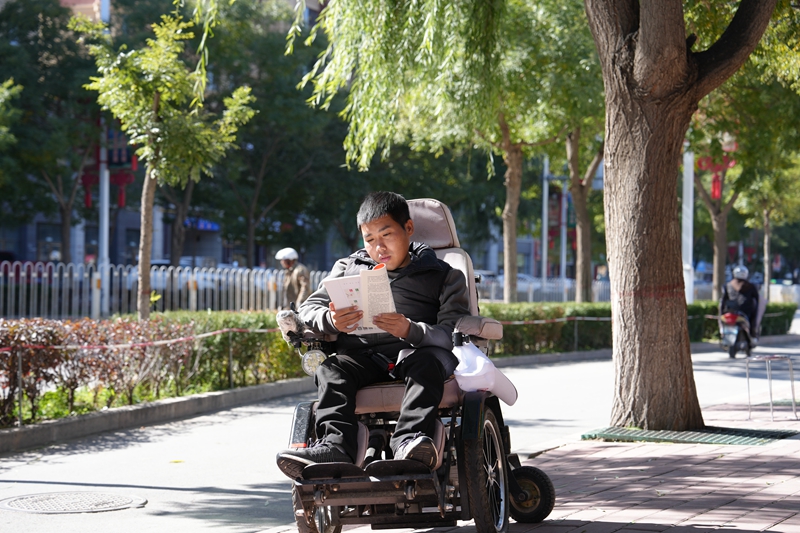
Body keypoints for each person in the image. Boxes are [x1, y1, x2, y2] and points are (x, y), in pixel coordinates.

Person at [275, 191, 471, 479]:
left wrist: (410, 329)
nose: (379, 247)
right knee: (331, 369)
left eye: (386, 235)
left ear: (408, 228)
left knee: (426, 362)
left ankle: (408, 441)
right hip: (363, 356)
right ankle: (335, 447)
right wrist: (331, 320)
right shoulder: (348, 268)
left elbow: (451, 333)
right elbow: (308, 309)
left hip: (419, 354)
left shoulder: (444, 274)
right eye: (369, 239)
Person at [720, 265, 760, 336]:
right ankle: (753, 331)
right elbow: (757, 300)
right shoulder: (751, 286)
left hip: (730, 311)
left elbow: (723, 301)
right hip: (746, 312)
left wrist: (722, 313)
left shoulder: (728, 285)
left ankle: (721, 328)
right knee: (755, 313)